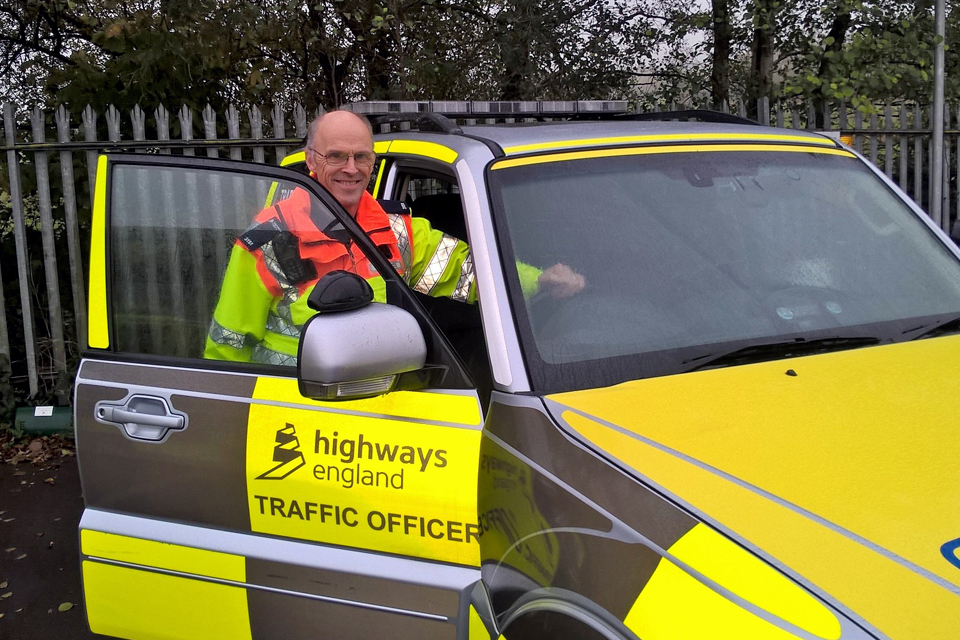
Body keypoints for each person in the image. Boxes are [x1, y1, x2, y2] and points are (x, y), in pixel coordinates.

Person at [204, 109, 584, 365]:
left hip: (388, 406)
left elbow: (467, 272)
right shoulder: (268, 242)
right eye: (336, 156)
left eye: (361, 157)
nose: (350, 169)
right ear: (312, 160)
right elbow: (227, 346)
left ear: (372, 161)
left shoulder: (396, 229)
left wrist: (539, 279)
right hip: (300, 416)